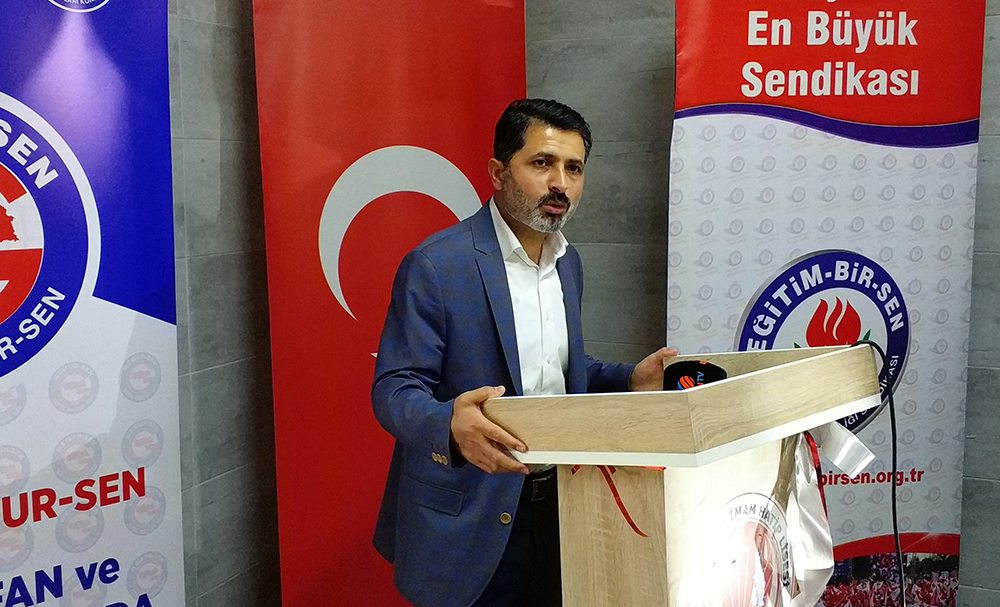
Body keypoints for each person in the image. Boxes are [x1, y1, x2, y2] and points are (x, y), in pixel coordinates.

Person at [371, 98, 675, 607]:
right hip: (469, 515)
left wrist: (629, 379)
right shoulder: (436, 264)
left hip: (561, 507)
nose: (560, 184)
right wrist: (449, 424)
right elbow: (394, 388)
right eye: (542, 163)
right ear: (498, 173)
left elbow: (557, 371)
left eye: (574, 168)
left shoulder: (568, 263)